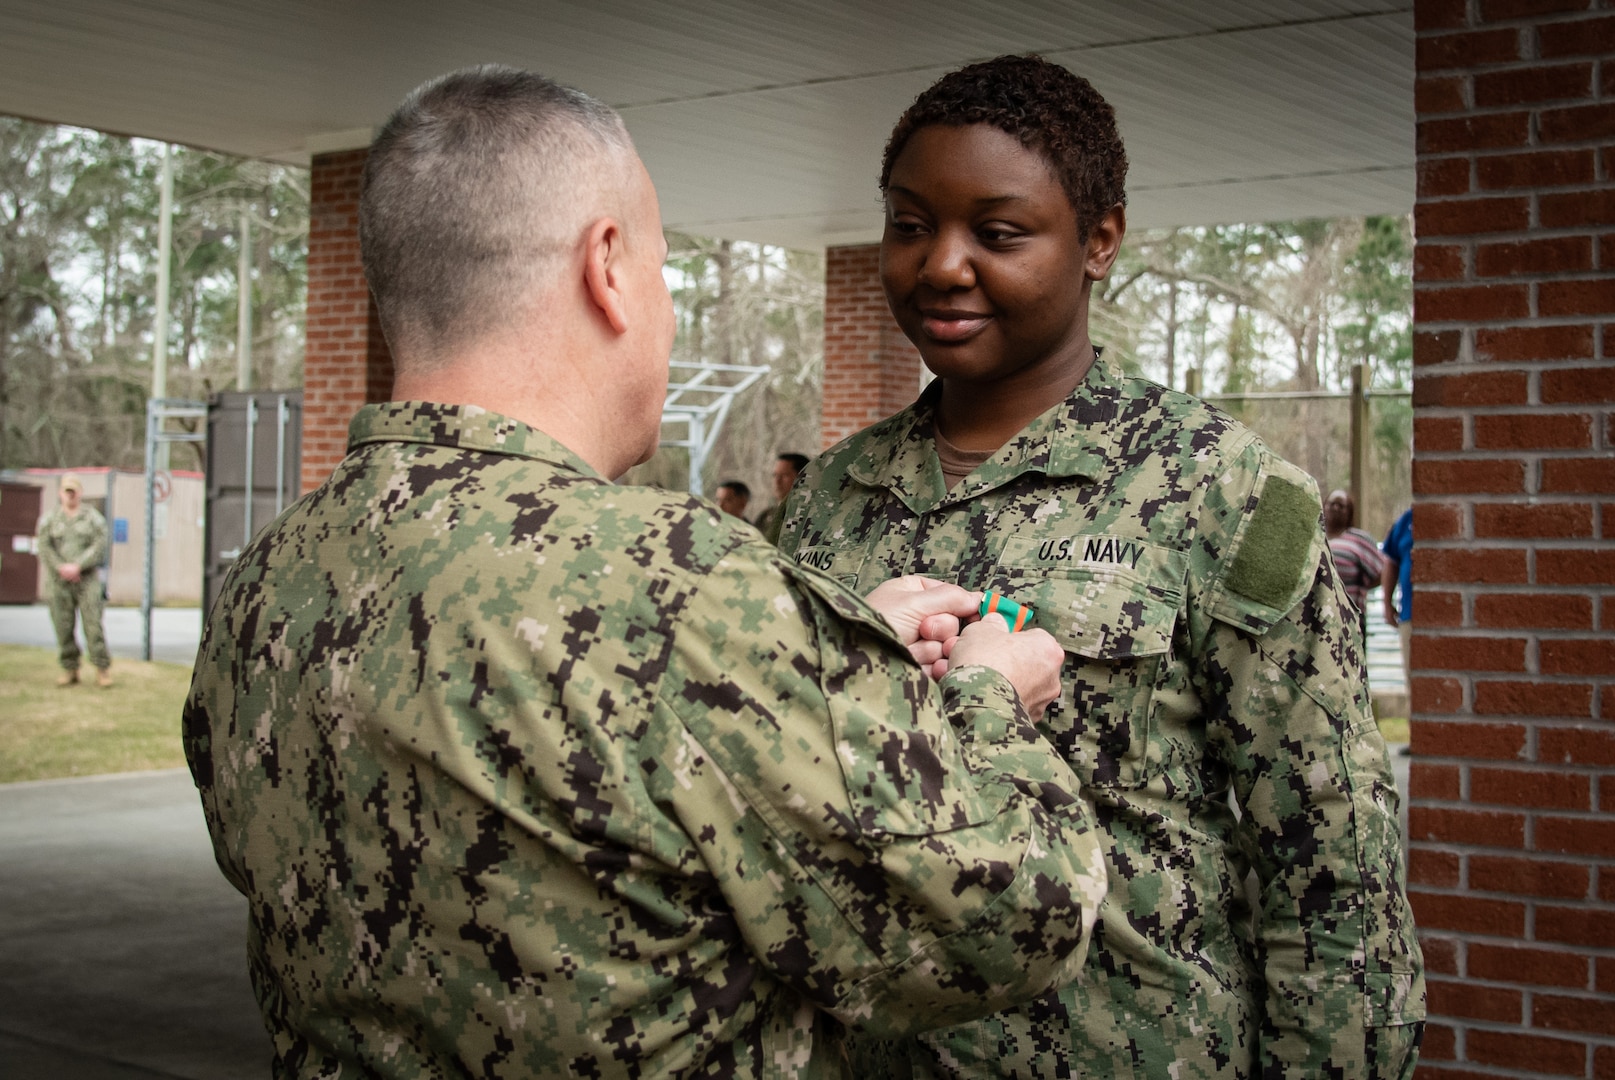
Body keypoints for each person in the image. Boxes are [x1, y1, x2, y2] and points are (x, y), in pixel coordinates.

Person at [183, 66, 1114, 1079]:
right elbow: (1016, 918)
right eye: (665, 271)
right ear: (609, 268)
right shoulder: (686, 589)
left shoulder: (267, 580)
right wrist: (983, 699)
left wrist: (831, 650)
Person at [780, 55, 1424, 1078]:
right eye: (910, 225)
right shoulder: (824, 502)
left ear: (1100, 241)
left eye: (997, 234)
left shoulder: (1226, 491)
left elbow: (1329, 865)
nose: (942, 264)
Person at [37, 473, 112, 688]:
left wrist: (78, 565)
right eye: (66, 492)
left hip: (86, 580)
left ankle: (102, 668)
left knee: (93, 625)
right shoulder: (50, 519)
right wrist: (62, 567)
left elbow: (100, 544)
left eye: (74, 491)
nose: (70, 496)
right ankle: (70, 668)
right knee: (63, 625)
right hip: (59, 581)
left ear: (80, 493)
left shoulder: (93, 518)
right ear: (60, 493)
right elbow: (44, 547)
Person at [1324, 488, 1384, 640]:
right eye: (1332, 504)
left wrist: (1360, 588)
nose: (1335, 508)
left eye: (1341, 506)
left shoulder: (1359, 539)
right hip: (1316, 616)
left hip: (1349, 617)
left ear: (1349, 512)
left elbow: (1382, 573)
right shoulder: (1314, 535)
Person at [1383, 505, 1415, 691]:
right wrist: (1387, 604)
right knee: (1413, 682)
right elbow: (1391, 562)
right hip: (1409, 615)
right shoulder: (1407, 520)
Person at [754, 451, 810, 545]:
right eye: (775, 475)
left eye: (784, 475)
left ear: (802, 478)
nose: (777, 481)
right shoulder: (765, 516)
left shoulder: (810, 514)